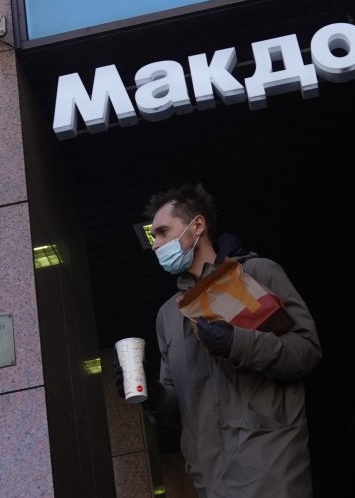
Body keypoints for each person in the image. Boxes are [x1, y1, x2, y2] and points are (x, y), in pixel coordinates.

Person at [120, 183, 321, 497]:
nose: (156, 244)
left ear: (197, 225)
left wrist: (236, 343)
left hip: (272, 468)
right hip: (210, 480)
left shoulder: (257, 272)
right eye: (153, 237)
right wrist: (155, 396)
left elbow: (306, 352)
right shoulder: (169, 316)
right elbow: (179, 410)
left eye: (162, 232)